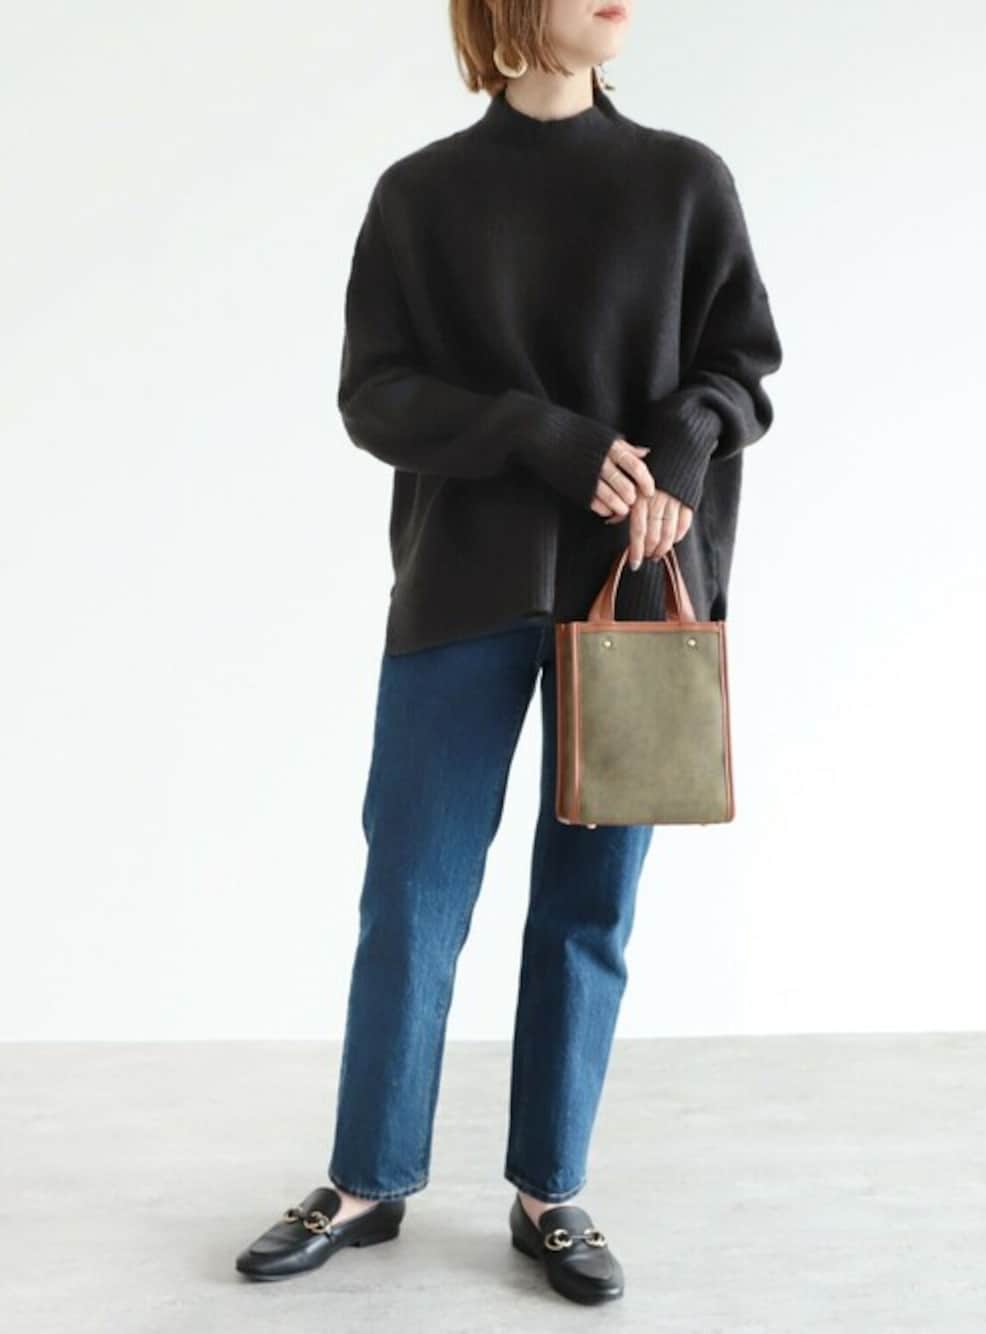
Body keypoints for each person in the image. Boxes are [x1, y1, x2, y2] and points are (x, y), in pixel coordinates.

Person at [235, 0, 782, 1306]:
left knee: (591, 905)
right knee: (412, 892)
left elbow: (742, 367)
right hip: (461, 589)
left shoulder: (684, 183)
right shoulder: (422, 197)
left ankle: (552, 1192)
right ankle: (366, 1180)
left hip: (634, 597)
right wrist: (547, 438)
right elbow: (377, 395)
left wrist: (679, 448)